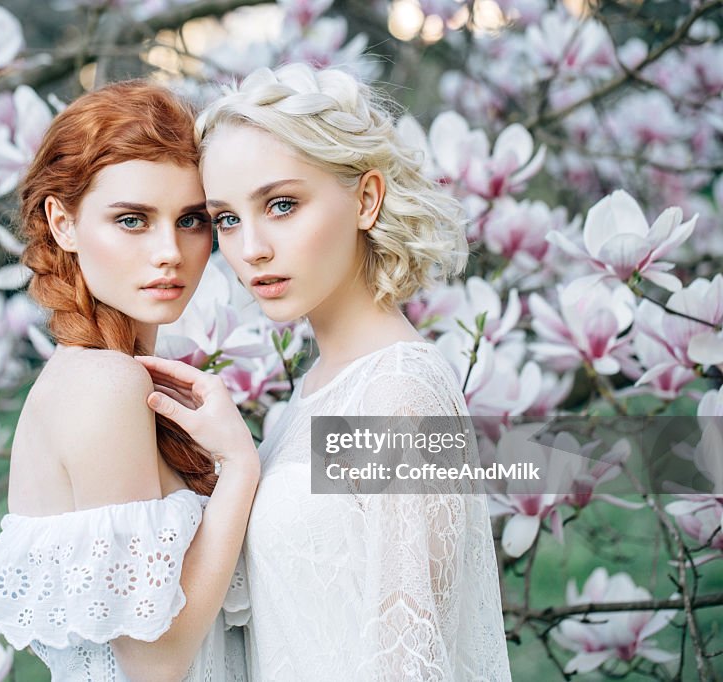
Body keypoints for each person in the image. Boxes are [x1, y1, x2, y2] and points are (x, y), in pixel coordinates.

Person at [139, 63, 512, 680]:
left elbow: (411, 666)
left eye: (281, 204)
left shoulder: (399, 393)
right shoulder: (316, 390)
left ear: (366, 198)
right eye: (226, 218)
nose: (250, 247)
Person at [0, 80, 259, 682]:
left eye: (191, 220)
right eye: (132, 220)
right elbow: (152, 661)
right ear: (63, 223)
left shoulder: (111, 375)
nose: (170, 253)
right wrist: (239, 469)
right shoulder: (103, 386)